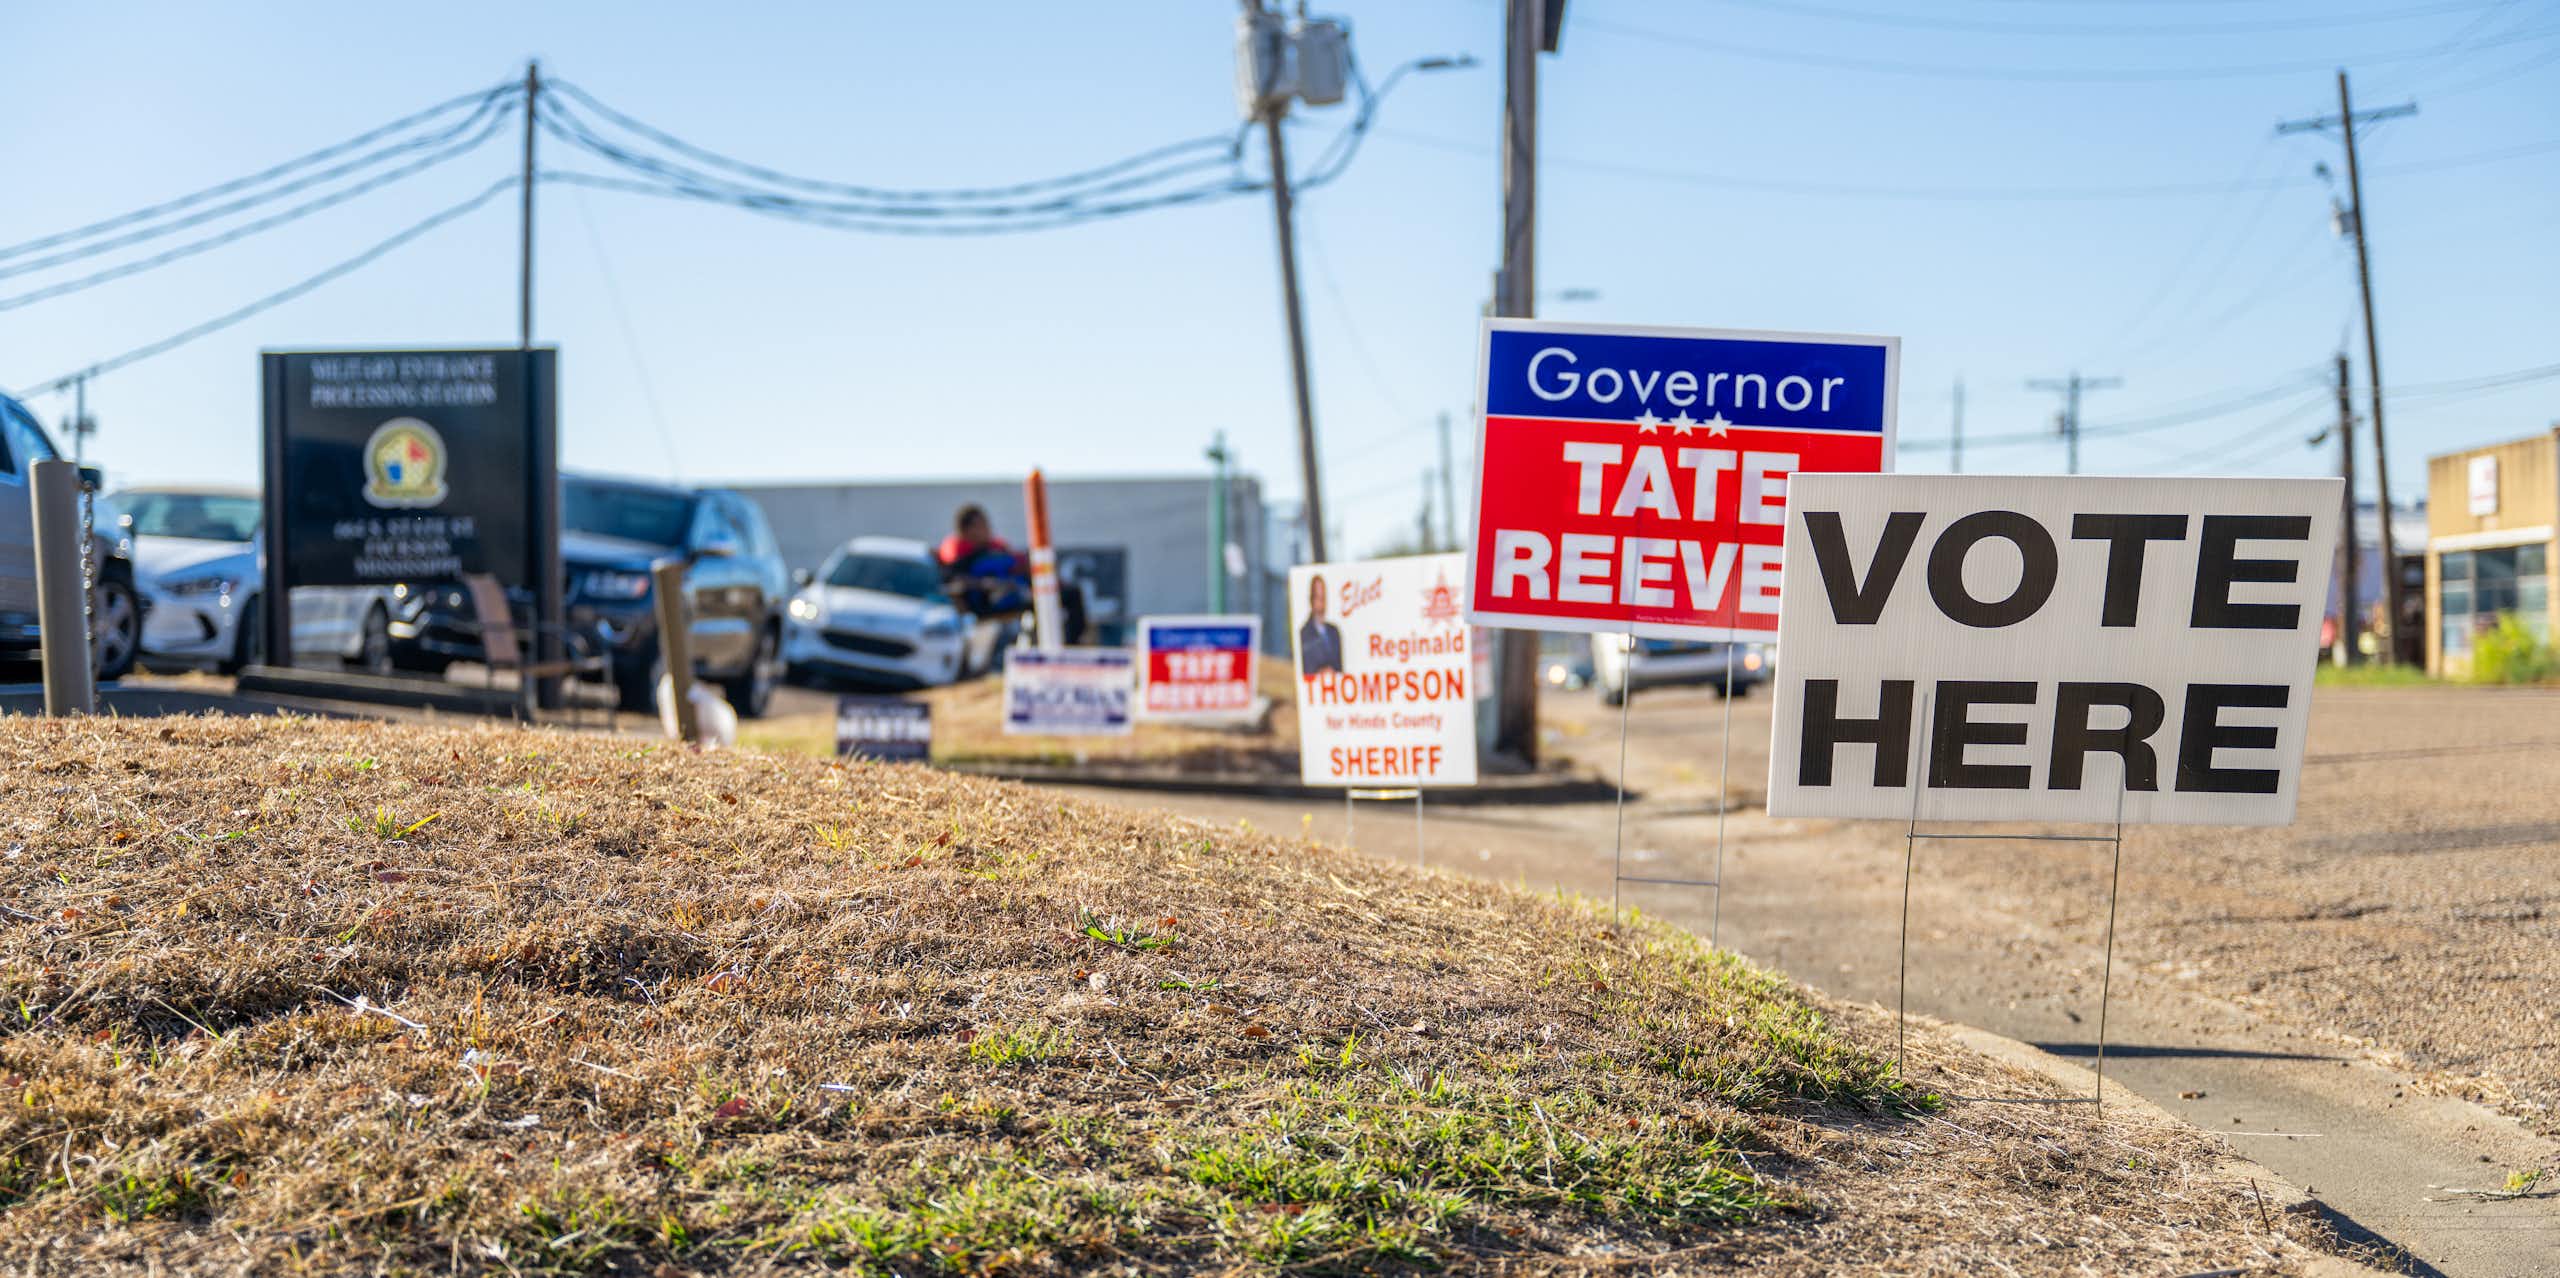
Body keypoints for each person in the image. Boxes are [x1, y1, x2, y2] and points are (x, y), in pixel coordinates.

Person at [935, 503, 1085, 642]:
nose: (989, 529)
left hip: (1016, 589)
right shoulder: (957, 553)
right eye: (983, 525)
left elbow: (1019, 563)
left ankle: (1068, 643)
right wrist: (987, 584)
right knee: (1040, 601)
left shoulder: (994, 547)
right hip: (989, 601)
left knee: (1068, 593)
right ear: (968, 530)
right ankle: (1047, 644)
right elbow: (951, 579)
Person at [1298, 573, 1342, 677]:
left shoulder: (1334, 632)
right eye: (1318, 598)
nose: (1322, 604)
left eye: (1324, 598)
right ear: (1311, 600)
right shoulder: (1304, 634)